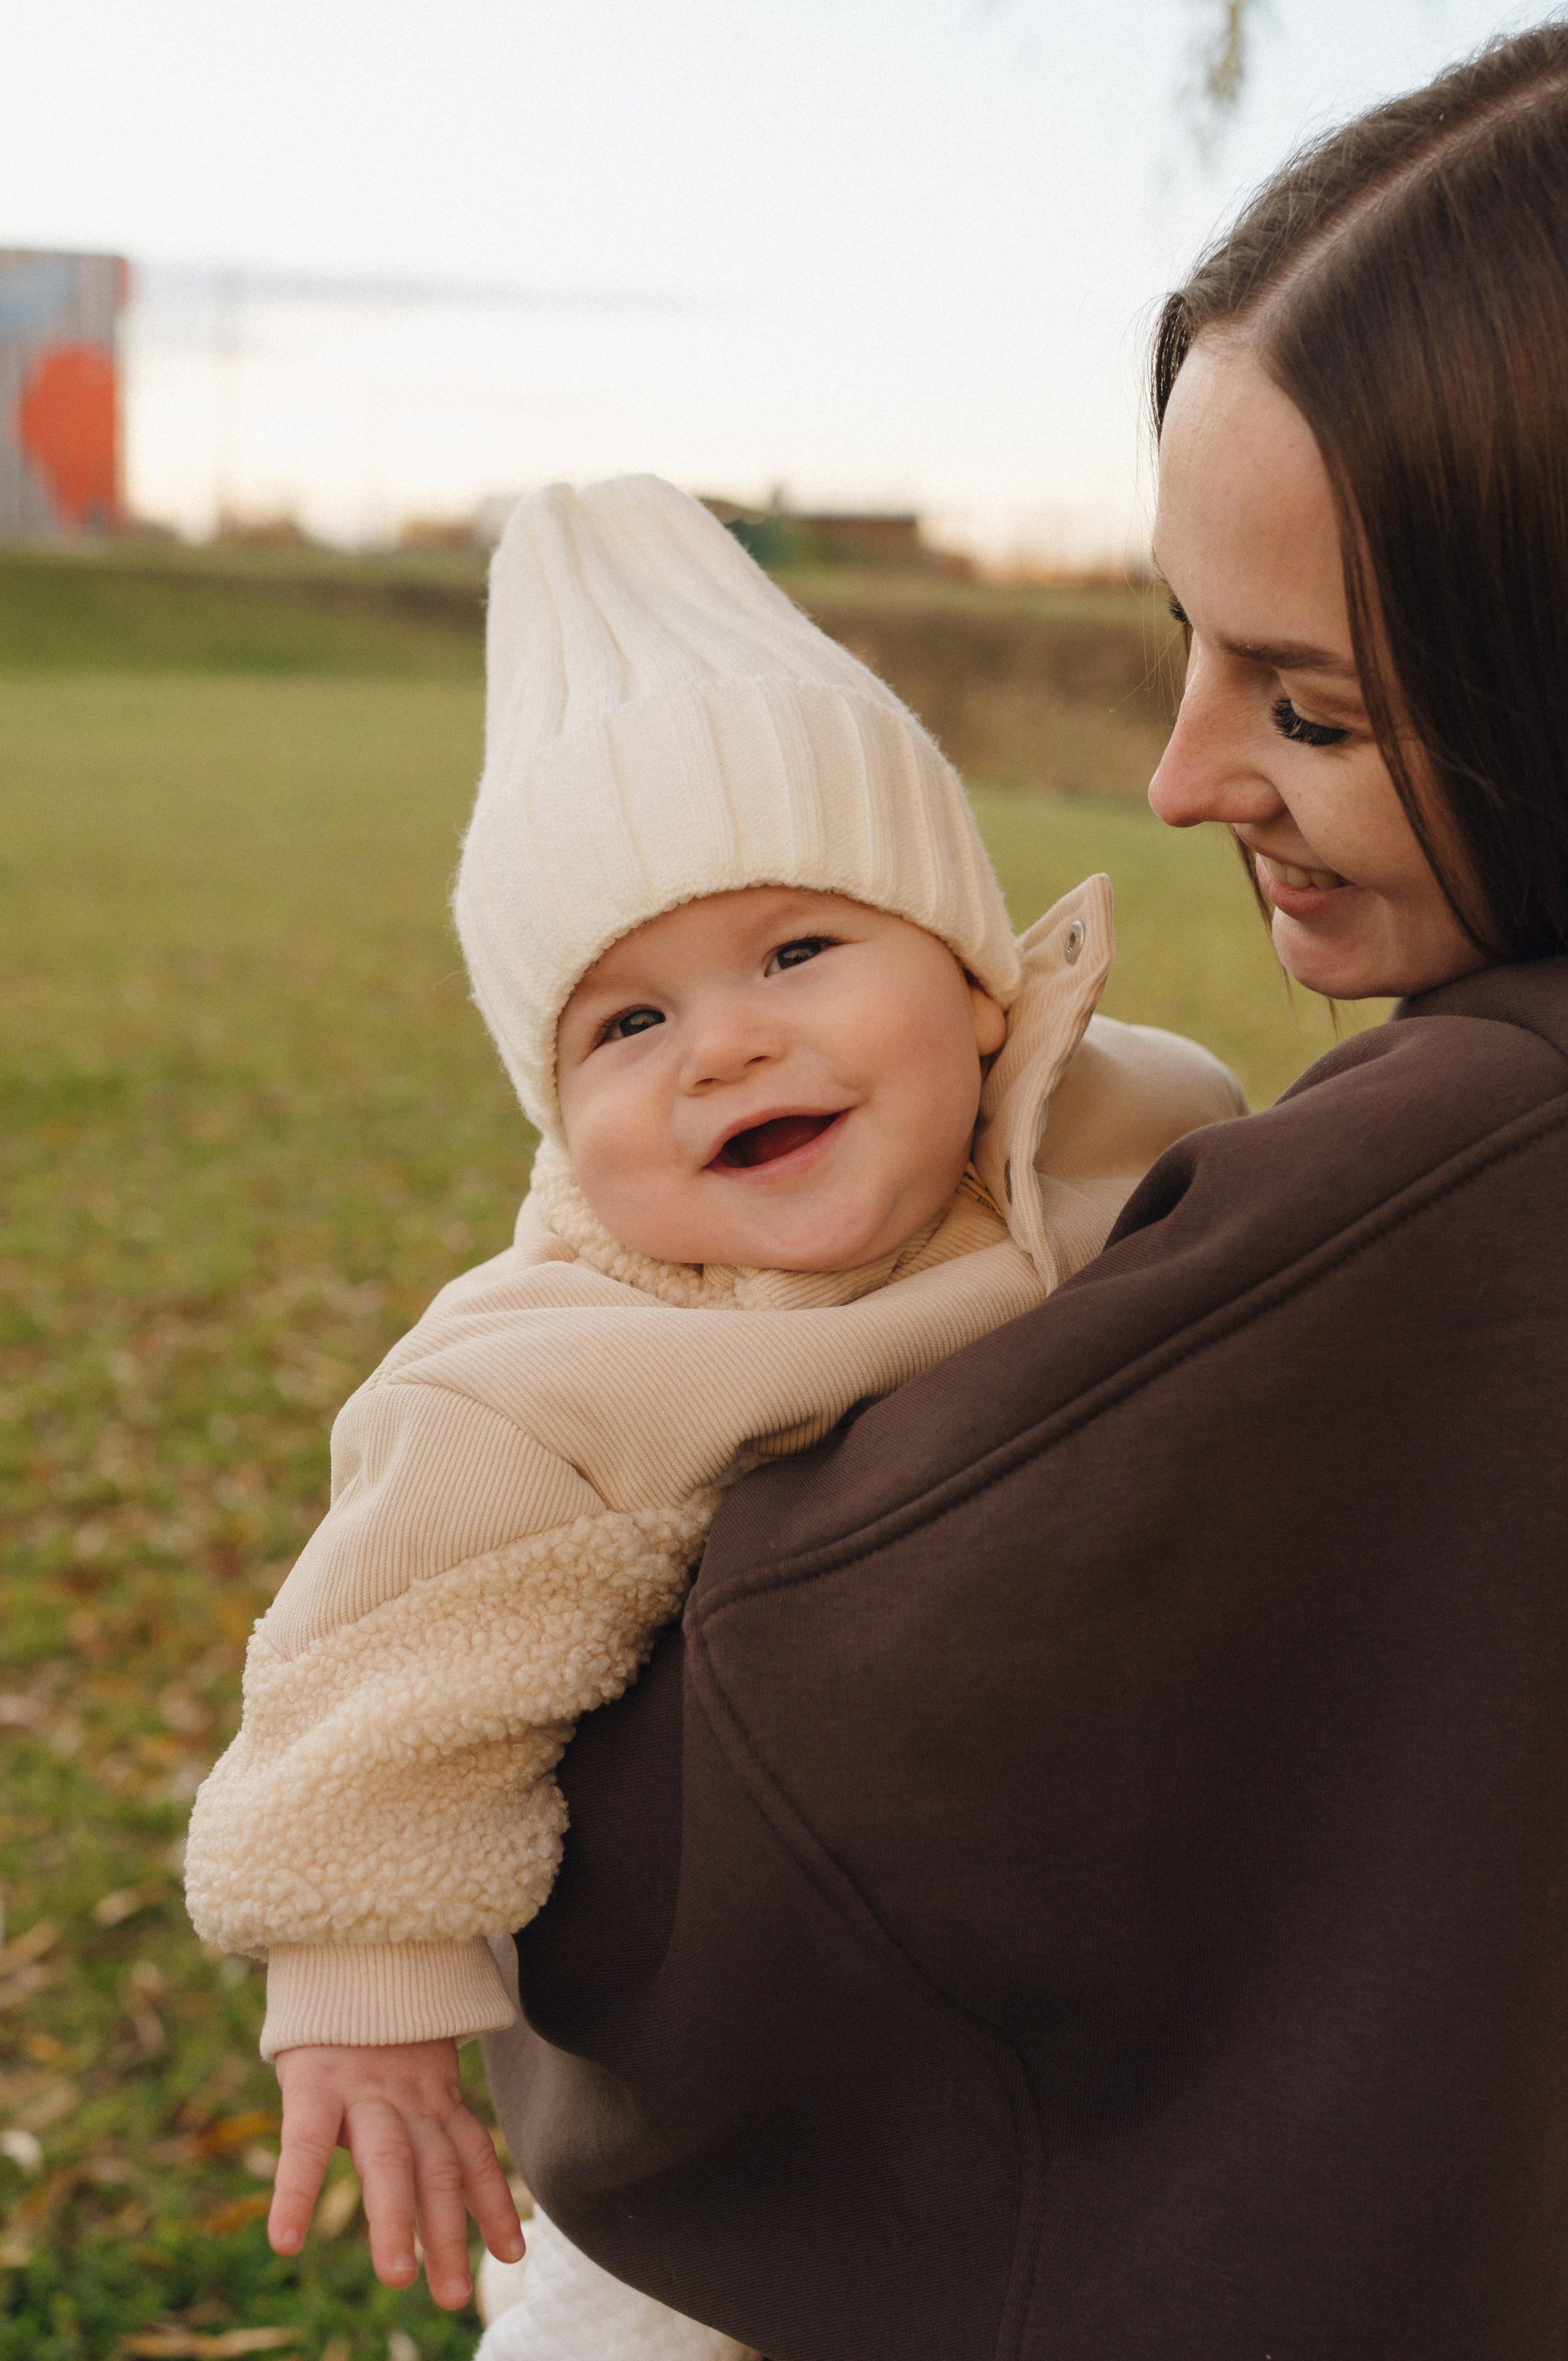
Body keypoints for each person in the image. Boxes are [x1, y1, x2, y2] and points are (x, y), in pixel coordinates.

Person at [478, 24, 1568, 2360]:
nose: (1180, 778)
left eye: (1318, 708)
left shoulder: (1466, 1174)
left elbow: (729, 1857)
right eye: (1187, 642)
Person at [180, 475, 1240, 2334]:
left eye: (798, 951)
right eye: (628, 1025)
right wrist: (367, 1987)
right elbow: (381, 1672)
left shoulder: (1146, 1121)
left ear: (983, 985)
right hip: (729, 2112)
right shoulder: (546, 1373)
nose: (726, 1044)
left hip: (1083, 2007)